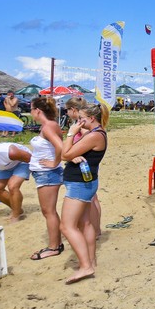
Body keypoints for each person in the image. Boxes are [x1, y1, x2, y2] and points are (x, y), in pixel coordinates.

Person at [60, 102, 109, 284]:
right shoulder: (96, 134)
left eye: (81, 118)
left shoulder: (94, 135)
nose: (78, 121)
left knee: (66, 226)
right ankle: (91, 261)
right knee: (86, 223)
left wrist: (71, 134)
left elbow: (64, 154)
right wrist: (72, 153)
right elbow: (69, 153)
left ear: (91, 118)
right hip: (85, 182)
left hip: (79, 184)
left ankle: (85, 266)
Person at [28, 96, 65, 260]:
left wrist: (54, 162)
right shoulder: (50, 125)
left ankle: (53, 247)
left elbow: (60, 147)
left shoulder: (49, 127)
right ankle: (56, 243)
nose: (30, 112)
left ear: (38, 111)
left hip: (47, 173)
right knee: (49, 211)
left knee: (48, 211)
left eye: (31, 109)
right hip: (45, 173)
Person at [65, 97, 103, 236]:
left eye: (67, 110)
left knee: (91, 202)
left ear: (73, 109)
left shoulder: (86, 130)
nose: (67, 113)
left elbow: (66, 153)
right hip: (85, 173)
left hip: (83, 175)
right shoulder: (88, 128)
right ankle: (96, 230)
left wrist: (71, 135)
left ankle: (96, 230)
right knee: (92, 201)